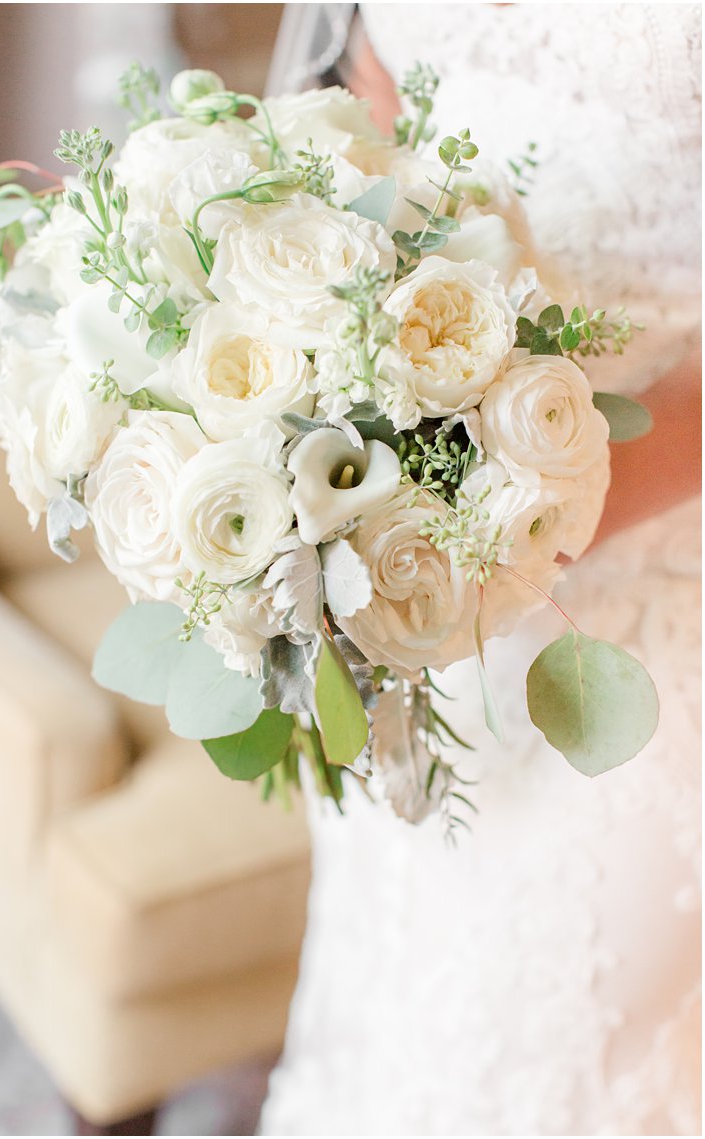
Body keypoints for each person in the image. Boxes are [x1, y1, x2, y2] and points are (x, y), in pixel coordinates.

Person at [260, 4, 701, 1133]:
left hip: (656, 590)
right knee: (393, 1018)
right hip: (422, 602)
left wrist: (542, 503)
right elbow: (373, 99)